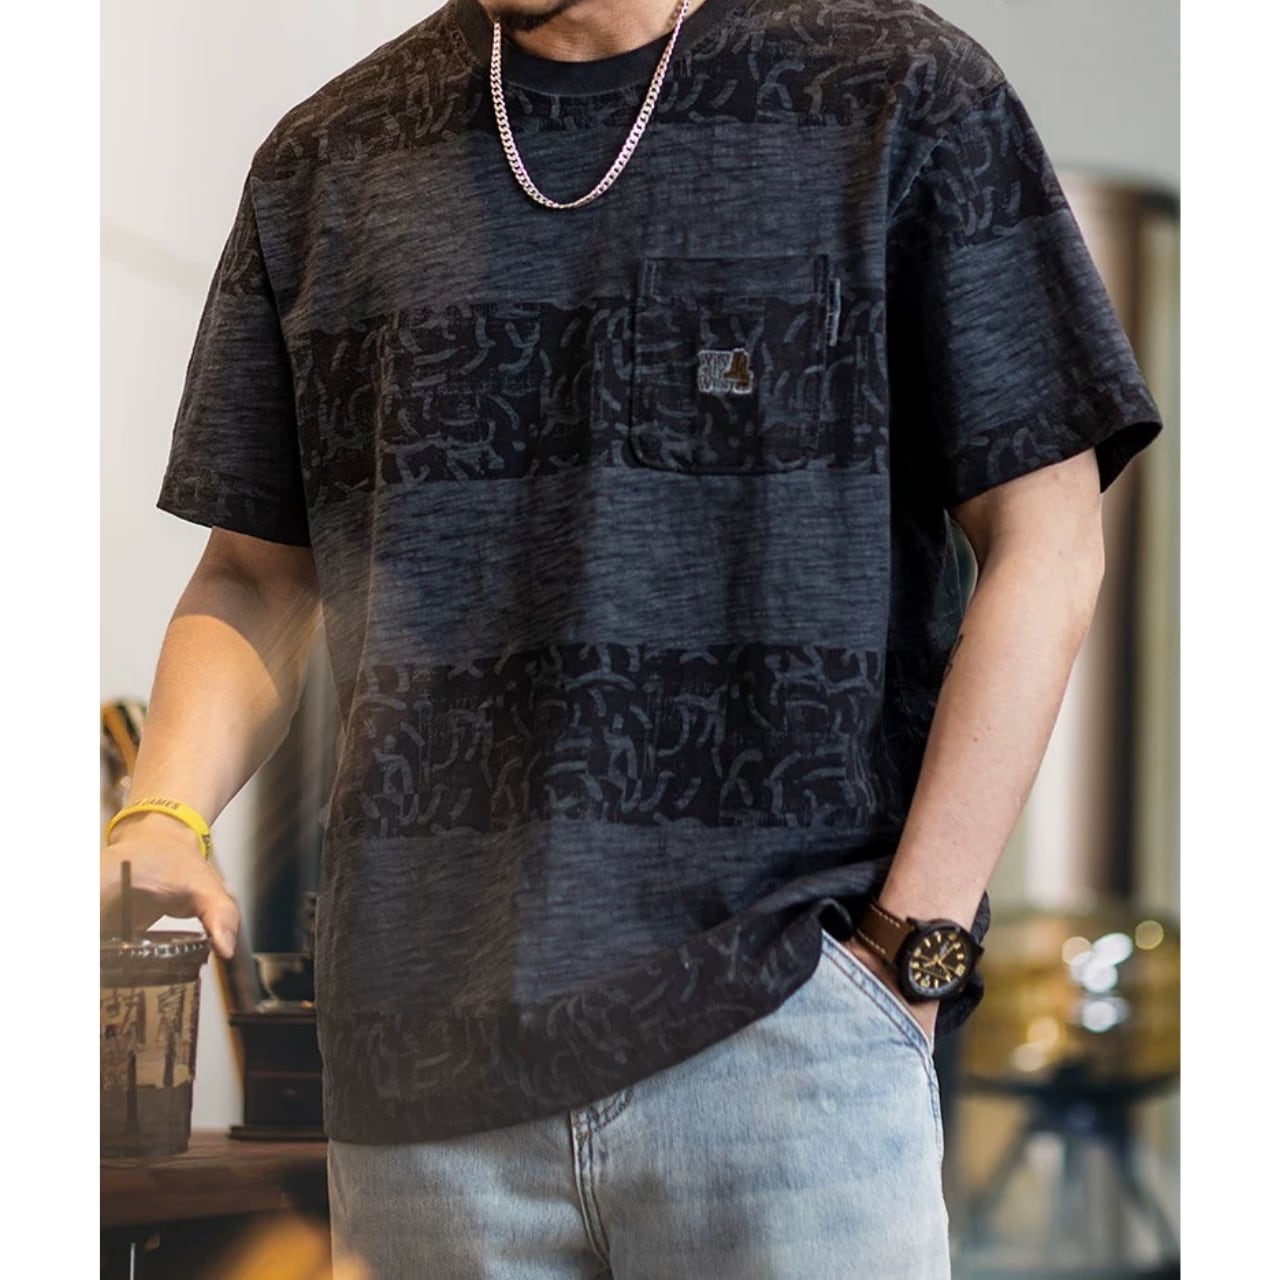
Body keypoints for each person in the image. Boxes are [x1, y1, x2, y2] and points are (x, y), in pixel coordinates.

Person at [100, 0, 1164, 1275]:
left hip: (787, 1036)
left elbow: (1047, 542)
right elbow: (253, 574)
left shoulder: (899, 93)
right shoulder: (328, 157)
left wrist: (908, 952)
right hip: (420, 1088)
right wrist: (162, 809)